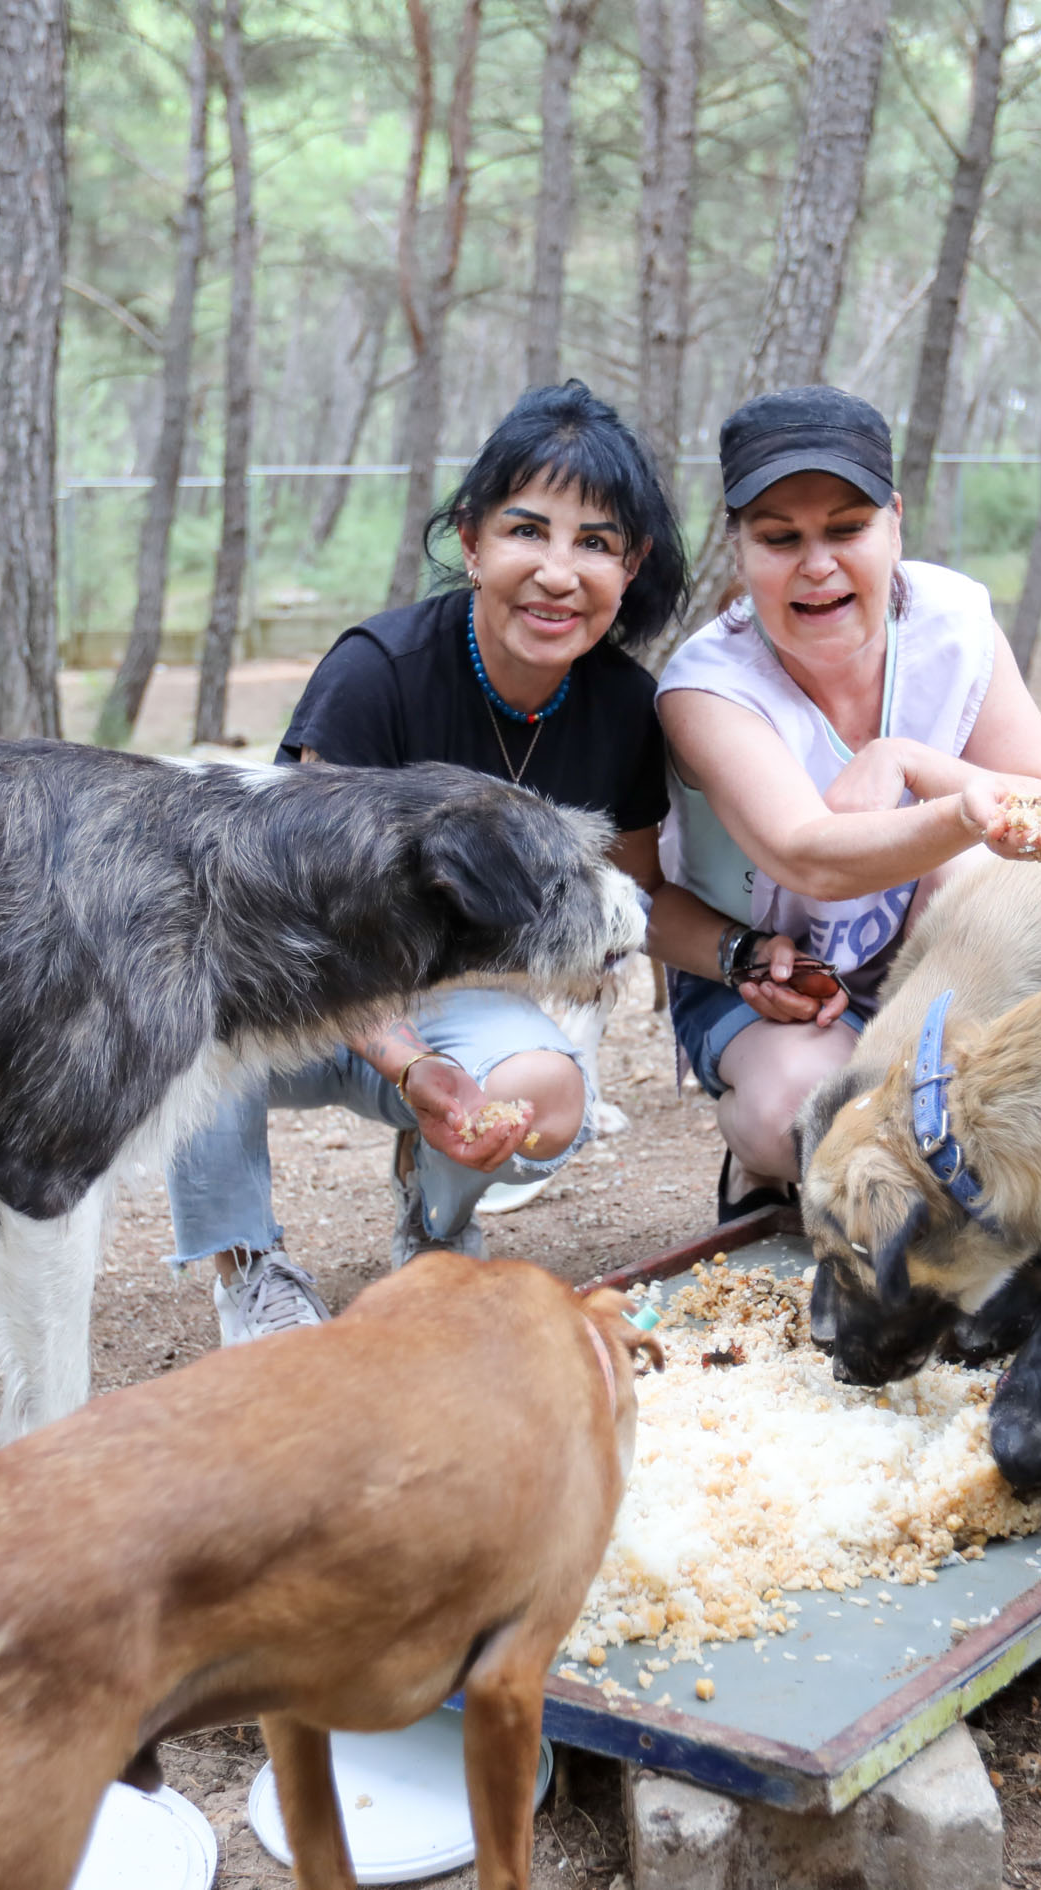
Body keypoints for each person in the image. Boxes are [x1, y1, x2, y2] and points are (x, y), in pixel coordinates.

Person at [167, 382, 688, 1344]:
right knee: (192, 1003)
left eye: (597, 543)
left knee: (550, 1091)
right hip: (301, 981)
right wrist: (411, 1070)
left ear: (631, 564)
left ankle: (434, 1227)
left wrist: (748, 961)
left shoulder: (623, 707)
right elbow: (290, 918)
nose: (559, 572)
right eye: (528, 530)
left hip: (454, 992)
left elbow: (642, 896)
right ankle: (249, 1267)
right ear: (473, 537)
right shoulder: (377, 672)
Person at [655, 385, 1041, 1211]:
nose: (816, 564)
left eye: (846, 530)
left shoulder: (953, 621)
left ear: (894, 520)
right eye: (780, 539)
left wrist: (913, 761)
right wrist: (965, 808)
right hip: (772, 978)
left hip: (921, 955)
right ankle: (760, 1167)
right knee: (798, 1117)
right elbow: (806, 855)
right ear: (739, 548)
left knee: (978, 873)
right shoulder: (705, 685)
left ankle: (951, 1119)